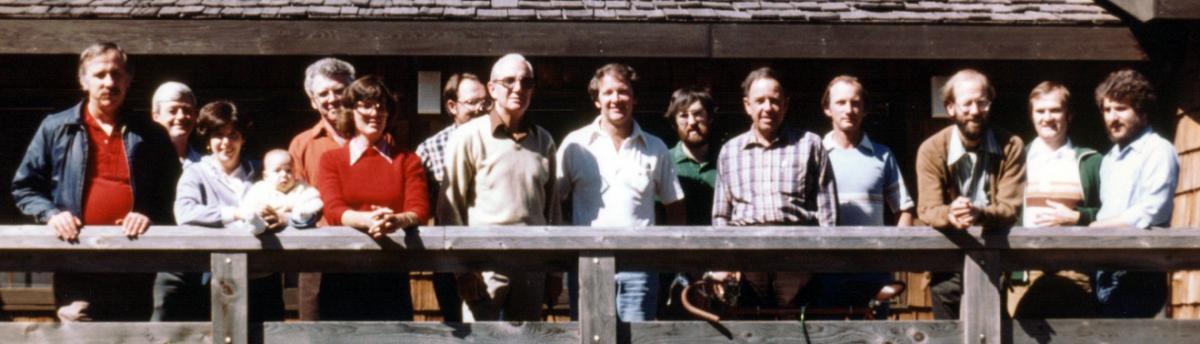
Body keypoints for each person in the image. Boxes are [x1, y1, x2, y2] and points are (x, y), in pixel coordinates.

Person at [12, 42, 179, 322]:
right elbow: (25, 187)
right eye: (100, 75)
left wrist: (147, 213)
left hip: (136, 260)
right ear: (83, 80)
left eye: (117, 74)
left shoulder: (151, 134)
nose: (109, 82)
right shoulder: (56, 127)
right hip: (76, 259)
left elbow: (173, 191)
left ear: (129, 79)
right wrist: (52, 214)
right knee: (79, 331)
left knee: (131, 336)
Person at [556, 63, 686, 321]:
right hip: (587, 264)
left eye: (623, 92)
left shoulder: (655, 147)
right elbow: (553, 202)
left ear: (634, 98)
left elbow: (675, 206)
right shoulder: (574, 144)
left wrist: (667, 258)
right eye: (608, 93)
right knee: (588, 337)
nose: (616, 99)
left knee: (635, 339)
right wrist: (565, 252)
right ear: (597, 100)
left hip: (640, 267)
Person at [440, 53, 559, 321]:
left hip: (532, 266)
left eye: (526, 82)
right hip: (484, 268)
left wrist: (553, 271)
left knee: (529, 342)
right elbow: (450, 207)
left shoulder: (544, 141)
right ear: (492, 88)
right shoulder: (468, 137)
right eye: (509, 81)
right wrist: (462, 270)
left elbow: (552, 211)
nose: (518, 88)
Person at [710, 67, 838, 311]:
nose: (767, 107)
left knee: (796, 332)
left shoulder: (810, 145)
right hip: (746, 257)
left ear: (786, 104)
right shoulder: (730, 151)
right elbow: (720, 216)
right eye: (760, 101)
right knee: (749, 332)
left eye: (774, 100)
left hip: (798, 256)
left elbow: (828, 213)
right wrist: (725, 263)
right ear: (747, 106)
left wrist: (821, 261)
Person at [316, 76, 429, 320]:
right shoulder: (331, 160)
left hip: (391, 270)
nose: (375, 113)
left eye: (382, 107)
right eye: (366, 105)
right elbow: (333, 209)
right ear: (350, 110)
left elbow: (418, 209)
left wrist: (397, 221)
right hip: (341, 271)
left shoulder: (408, 160)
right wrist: (367, 220)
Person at [915, 69, 1025, 320]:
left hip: (994, 258)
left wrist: (979, 214)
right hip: (946, 261)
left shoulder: (1011, 145)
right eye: (967, 104)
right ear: (950, 108)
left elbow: (1010, 208)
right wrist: (951, 214)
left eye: (982, 102)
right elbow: (928, 209)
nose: (975, 111)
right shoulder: (931, 150)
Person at [166, 101, 284, 322]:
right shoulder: (196, 173)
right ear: (209, 141)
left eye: (233, 135)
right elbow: (184, 212)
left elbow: (292, 200)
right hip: (213, 275)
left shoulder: (261, 171)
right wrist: (236, 213)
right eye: (219, 135)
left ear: (243, 138)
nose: (226, 142)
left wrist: (280, 216)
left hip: (263, 274)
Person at [814, 75, 913, 313]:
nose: (849, 109)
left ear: (864, 109)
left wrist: (894, 256)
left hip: (873, 269)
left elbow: (904, 209)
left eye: (855, 103)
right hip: (827, 268)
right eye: (841, 103)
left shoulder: (883, 155)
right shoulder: (814, 153)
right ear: (827, 109)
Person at [1005, 81, 1102, 319]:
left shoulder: (1090, 161)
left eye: (1055, 110)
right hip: (1025, 272)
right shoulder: (1015, 160)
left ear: (1069, 115)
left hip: (1075, 270)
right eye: (1040, 111)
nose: (1047, 117)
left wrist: (1078, 217)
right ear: (1031, 115)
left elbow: (1111, 214)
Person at [1089, 69, 1179, 318]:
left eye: (1120, 109)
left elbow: (1154, 209)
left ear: (1142, 110)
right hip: (1105, 270)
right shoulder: (1108, 160)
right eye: (1107, 110)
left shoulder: (1158, 150)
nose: (1112, 118)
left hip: (1140, 270)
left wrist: (1098, 227)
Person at [413, 72, 489, 322]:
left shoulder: (502, 142)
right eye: (472, 102)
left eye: (485, 102)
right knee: (457, 328)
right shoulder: (429, 149)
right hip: (449, 254)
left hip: (493, 248)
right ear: (452, 106)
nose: (480, 109)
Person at [286, 57, 355, 320]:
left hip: (369, 255)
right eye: (323, 93)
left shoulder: (376, 138)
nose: (332, 99)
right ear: (313, 100)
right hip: (317, 260)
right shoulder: (302, 145)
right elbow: (292, 202)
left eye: (339, 90)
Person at [659, 87, 720, 319]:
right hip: (673, 268)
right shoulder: (664, 161)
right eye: (683, 115)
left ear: (710, 118)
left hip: (717, 266)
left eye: (698, 114)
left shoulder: (725, 161)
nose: (692, 122)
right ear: (674, 121)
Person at [240, 149, 323, 235]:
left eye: (288, 171)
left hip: (295, 232)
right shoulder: (260, 189)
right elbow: (247, 205)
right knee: (254, 214)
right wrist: (256, 211)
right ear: (266, 176)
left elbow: (313, 202)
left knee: (304, 216)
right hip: (264, 228)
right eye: (277, 170)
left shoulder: (302, 188)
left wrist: (298, 213)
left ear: (294, 172)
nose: (284, 174)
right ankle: (256, 224)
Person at [150, 81, 202, 166]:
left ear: (195, 115)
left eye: (187, 110)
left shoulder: (207, 165)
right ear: (156, 116)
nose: (181, 116)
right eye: (172, 111)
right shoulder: (142, 162)